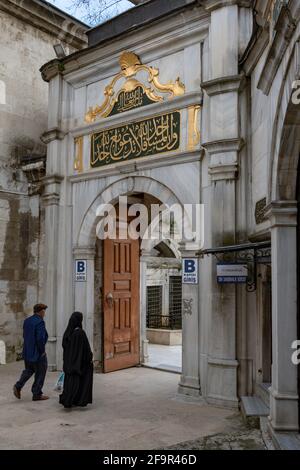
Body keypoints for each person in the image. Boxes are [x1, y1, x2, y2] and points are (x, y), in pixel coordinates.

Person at [13, 303, 49, 401]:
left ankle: (18, 386)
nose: (44, 313)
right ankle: (37, 394)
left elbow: (25, 335)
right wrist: (42, 351)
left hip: (27, 351)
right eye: (44, 311)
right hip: (37, 353)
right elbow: (40, 339)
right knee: (41, 371)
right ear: (41, 311)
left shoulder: (27, 321)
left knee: (29, 370)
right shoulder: (40, 322)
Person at [59, 312, 93, 408]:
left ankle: (68, 399)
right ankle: (78, 399)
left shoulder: (67, 333)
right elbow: (86, 350)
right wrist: (89, 358)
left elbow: (65, 347)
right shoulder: (80, 333)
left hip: (69, 364)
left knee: (69, 382)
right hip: (78, 365)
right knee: (78, 382)